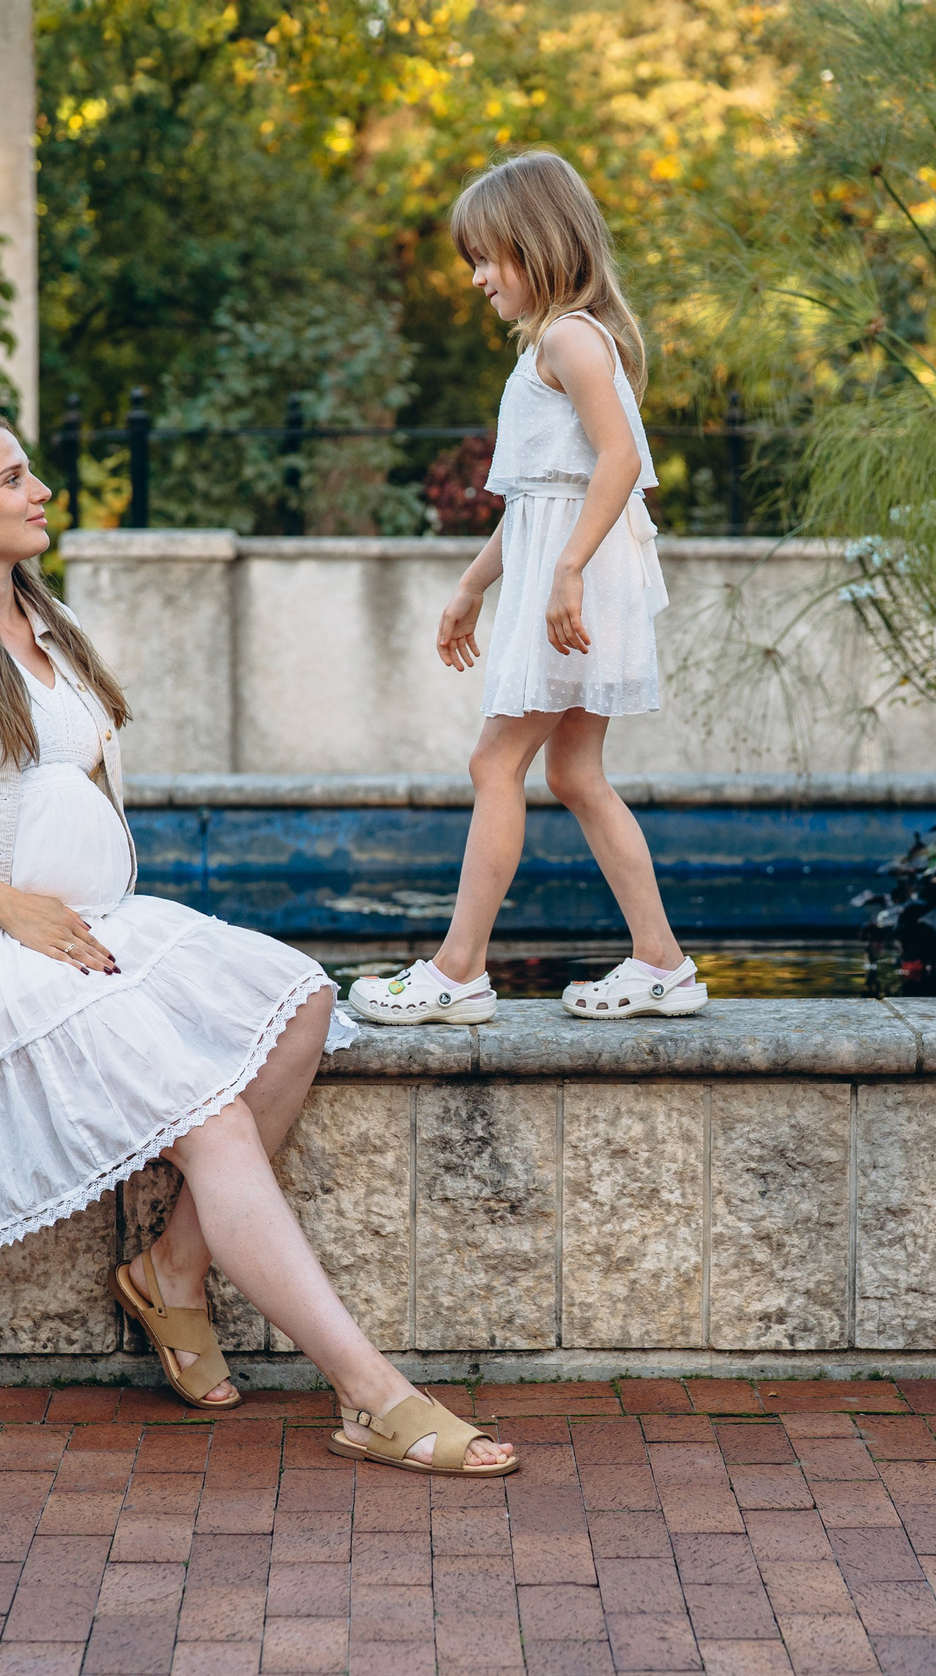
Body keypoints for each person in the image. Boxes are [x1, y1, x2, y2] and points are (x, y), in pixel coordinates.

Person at [0, 411, 515, 1477]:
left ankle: (171, 1271)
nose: (40, 491)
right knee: (212, 1116)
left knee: (301, 1001)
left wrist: (67, 910)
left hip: (80, 927)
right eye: (14, 478)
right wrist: (9, 907)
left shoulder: (50, 626)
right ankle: (373, 1394)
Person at [347, 151, 703, 1027]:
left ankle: (457, 971)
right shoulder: (561, 342)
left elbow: (620, 462)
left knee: (494, 762)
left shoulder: (569, 339)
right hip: (571, 576)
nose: (476, 277)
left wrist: (568, 569)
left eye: (486, 257)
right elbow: (542, 499)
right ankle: (662, 962)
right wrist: (472, 585)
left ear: (535, 244)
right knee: (575, 771)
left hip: (576, 583)